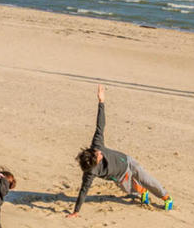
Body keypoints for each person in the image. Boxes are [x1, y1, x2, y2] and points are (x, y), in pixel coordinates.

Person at [69, 85, 172, 217]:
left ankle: (166, 198)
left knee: (147, 180)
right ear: (94, 164)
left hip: (128, 162)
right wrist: (76, 211)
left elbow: (100, 124)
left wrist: (101, 102)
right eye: (98, 156)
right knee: (132, 190)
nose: (100, 153)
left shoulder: (97, 144)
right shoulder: (90, 174)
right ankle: (142, 193)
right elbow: (83, 191)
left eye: (97, 152)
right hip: (120, 177)